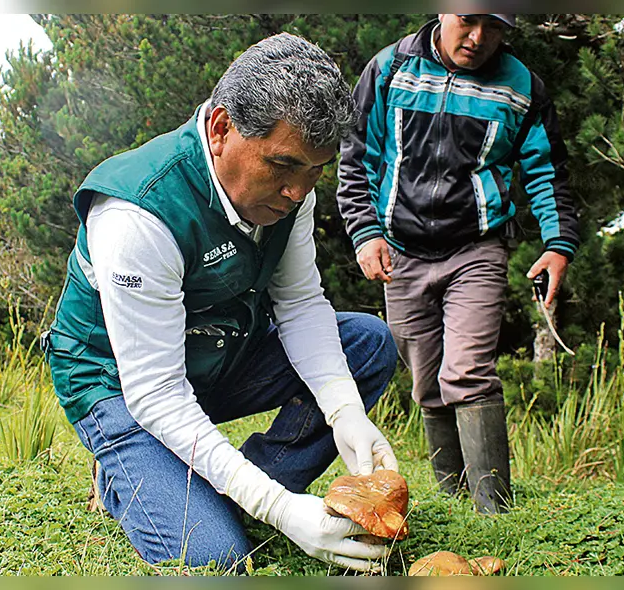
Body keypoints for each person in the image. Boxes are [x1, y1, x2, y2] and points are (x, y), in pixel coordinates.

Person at [43, 32, 400, 573]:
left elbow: (301, 304)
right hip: (120, 382)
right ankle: (127, 476)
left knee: (367, 345)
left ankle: (231, 496)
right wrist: (280, 508)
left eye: (314, 172)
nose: (298, 193)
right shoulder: (138, 216)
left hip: (214, 354)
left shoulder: (288, 191)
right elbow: (158, 392)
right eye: (282, 166)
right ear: (220, 128)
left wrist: (345, 411)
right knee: (216, 558)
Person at [337, 14, 579, 514]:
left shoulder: (521, 87)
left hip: (477, 248)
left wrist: (558, 244)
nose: (477, 39)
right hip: (400, 251)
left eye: (493, 28)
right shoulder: (389, 68)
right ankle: (454, 503)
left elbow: (546, 171)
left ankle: (494, 511)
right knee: (426, 384)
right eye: (468, 22)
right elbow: (356, 155)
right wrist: (365, 234)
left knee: (467, 372)